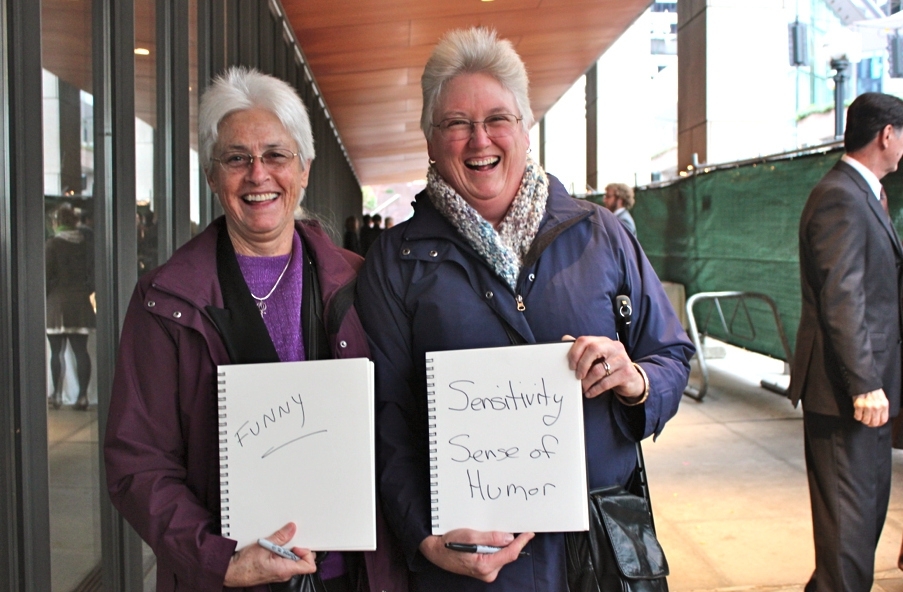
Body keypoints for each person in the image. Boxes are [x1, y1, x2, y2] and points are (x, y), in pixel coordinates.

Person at [355, 27, 694, 591]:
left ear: (526, 128)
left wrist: (635, 380)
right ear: (431, 139)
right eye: (457, 123)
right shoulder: (396, 261)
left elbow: (671, 356)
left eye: (497, 119)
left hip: (598, 553)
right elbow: (386, 415)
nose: (478, 139)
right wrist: (423, 536)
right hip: (473, 563)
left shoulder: (600, 235)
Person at [104, 67, 386, 592]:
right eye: (237, 158)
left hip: (352, 574)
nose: (259, 175)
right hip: (230, 578)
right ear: (213, 176)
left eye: (276, 155)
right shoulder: (166, 301)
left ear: (303, 168)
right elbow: (137, 462)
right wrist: (221, 561)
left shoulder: (360, 282)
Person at [789, 92, 903, 592]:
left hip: (867, 398)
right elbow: (843, 295)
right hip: (847, 399)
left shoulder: (862, 194)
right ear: (887, 135)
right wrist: (863, 383)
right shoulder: (841, 195)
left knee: (854, 538)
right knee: (846, 547)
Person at [45, 203, 95, 411]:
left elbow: (46, 276)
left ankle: (56, 395)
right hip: (81, 303)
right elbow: (92, 274)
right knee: (81, 351)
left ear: (56, 222)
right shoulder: (85, 244)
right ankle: (82, 396)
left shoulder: (52, 245)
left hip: (57, 303)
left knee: (57, 352)